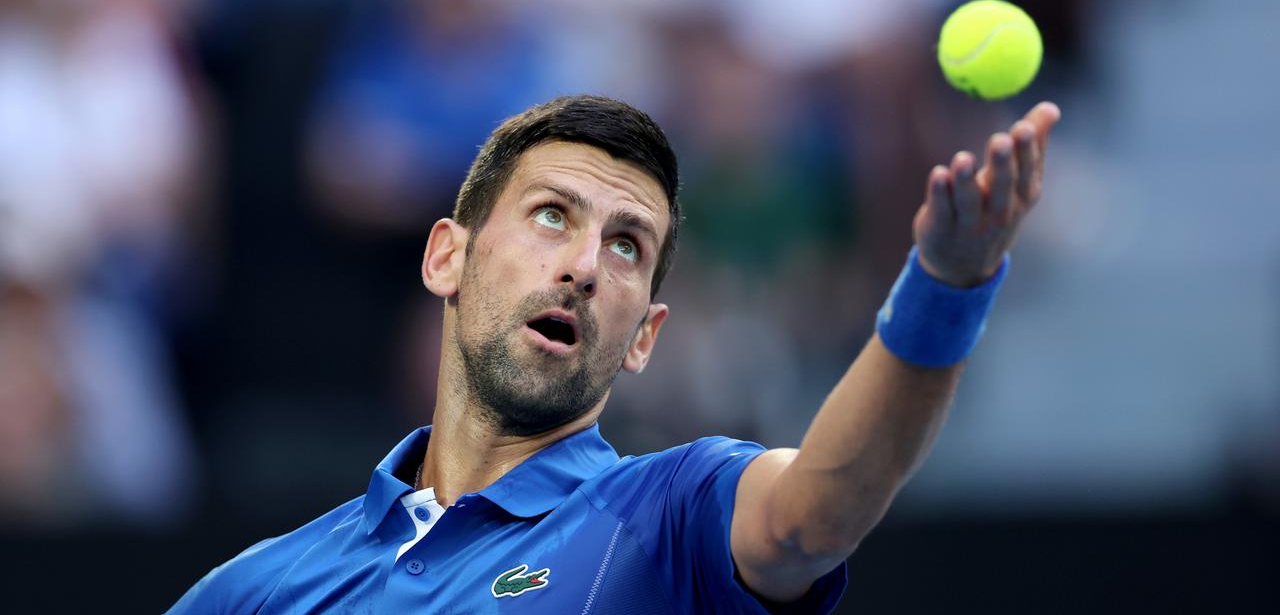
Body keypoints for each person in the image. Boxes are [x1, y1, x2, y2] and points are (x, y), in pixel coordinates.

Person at [169, 94, 1060, 613]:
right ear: (448, 255)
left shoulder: (670, 513)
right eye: (552, 214)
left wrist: (946, 286)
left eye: (628, 244)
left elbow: (814, 513)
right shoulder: (257, 589)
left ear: (644, 337)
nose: (587, 265)